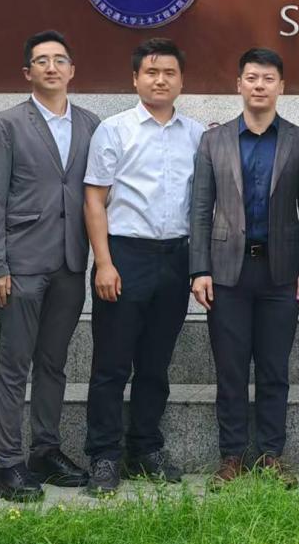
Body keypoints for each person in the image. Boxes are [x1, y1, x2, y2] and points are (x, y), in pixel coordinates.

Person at [0, 31, 100, 502]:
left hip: (70, 262)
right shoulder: (7, 124)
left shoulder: (90, 124)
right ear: (28, 72)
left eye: (59, 60)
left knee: (53, 362)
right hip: (22, 263)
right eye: (42, 60)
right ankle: (6, 464)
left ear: (72, 70)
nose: (52, 67)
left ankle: (45, 451)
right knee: (14, 363)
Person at [190, 48, 299, 489]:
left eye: (268, 78)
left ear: (281, 86)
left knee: (274, 369)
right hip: (227, 273)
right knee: (230, 370)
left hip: (280, 273)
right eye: (251, 77)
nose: (259, 85)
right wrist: (199, 269)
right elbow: (200, 209)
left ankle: (270, 455)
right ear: (238, 84)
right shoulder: (214, 141)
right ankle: (231, 457)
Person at [82, 37, 206, 495]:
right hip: (124, 256)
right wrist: (104, 262)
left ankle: (145, 448)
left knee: (156, 364)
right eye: (151, 72)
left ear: (181, 81)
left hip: (175, 258)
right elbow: (94, 200)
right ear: (135, 78)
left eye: (169, 73)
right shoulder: (114, 130)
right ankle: (103, 455)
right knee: (111, 365)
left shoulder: (197, 135)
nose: (160, 80)